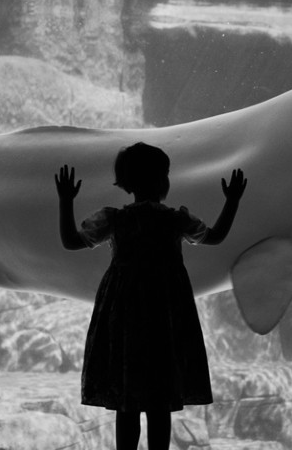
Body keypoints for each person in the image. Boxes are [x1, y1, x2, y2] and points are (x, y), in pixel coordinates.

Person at [54, 142, 246, 450]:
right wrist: (232, 201)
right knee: (160, 397)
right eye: (165, 173)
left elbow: (70, 241)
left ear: (127, 182)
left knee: (126, 397)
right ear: (161, 180)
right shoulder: (174, 220)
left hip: (125, 313)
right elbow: (215, 236)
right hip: (164, 313)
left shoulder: (115, 219)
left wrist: (65, 202)